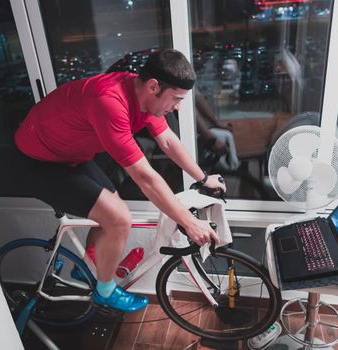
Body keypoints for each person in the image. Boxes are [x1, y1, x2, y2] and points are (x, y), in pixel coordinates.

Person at [14, 49, 226, 313]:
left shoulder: (143, 96)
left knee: (110, 212)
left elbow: (168, 141)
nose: (179, 106)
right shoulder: (110, 102)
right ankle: (104, 291)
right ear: (153, 87)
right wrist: (189, 222)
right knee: (118, 218)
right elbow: (145, 178)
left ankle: (90, 271)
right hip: (40, 161)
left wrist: (203, 178)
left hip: (71, 154)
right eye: (177, 99)